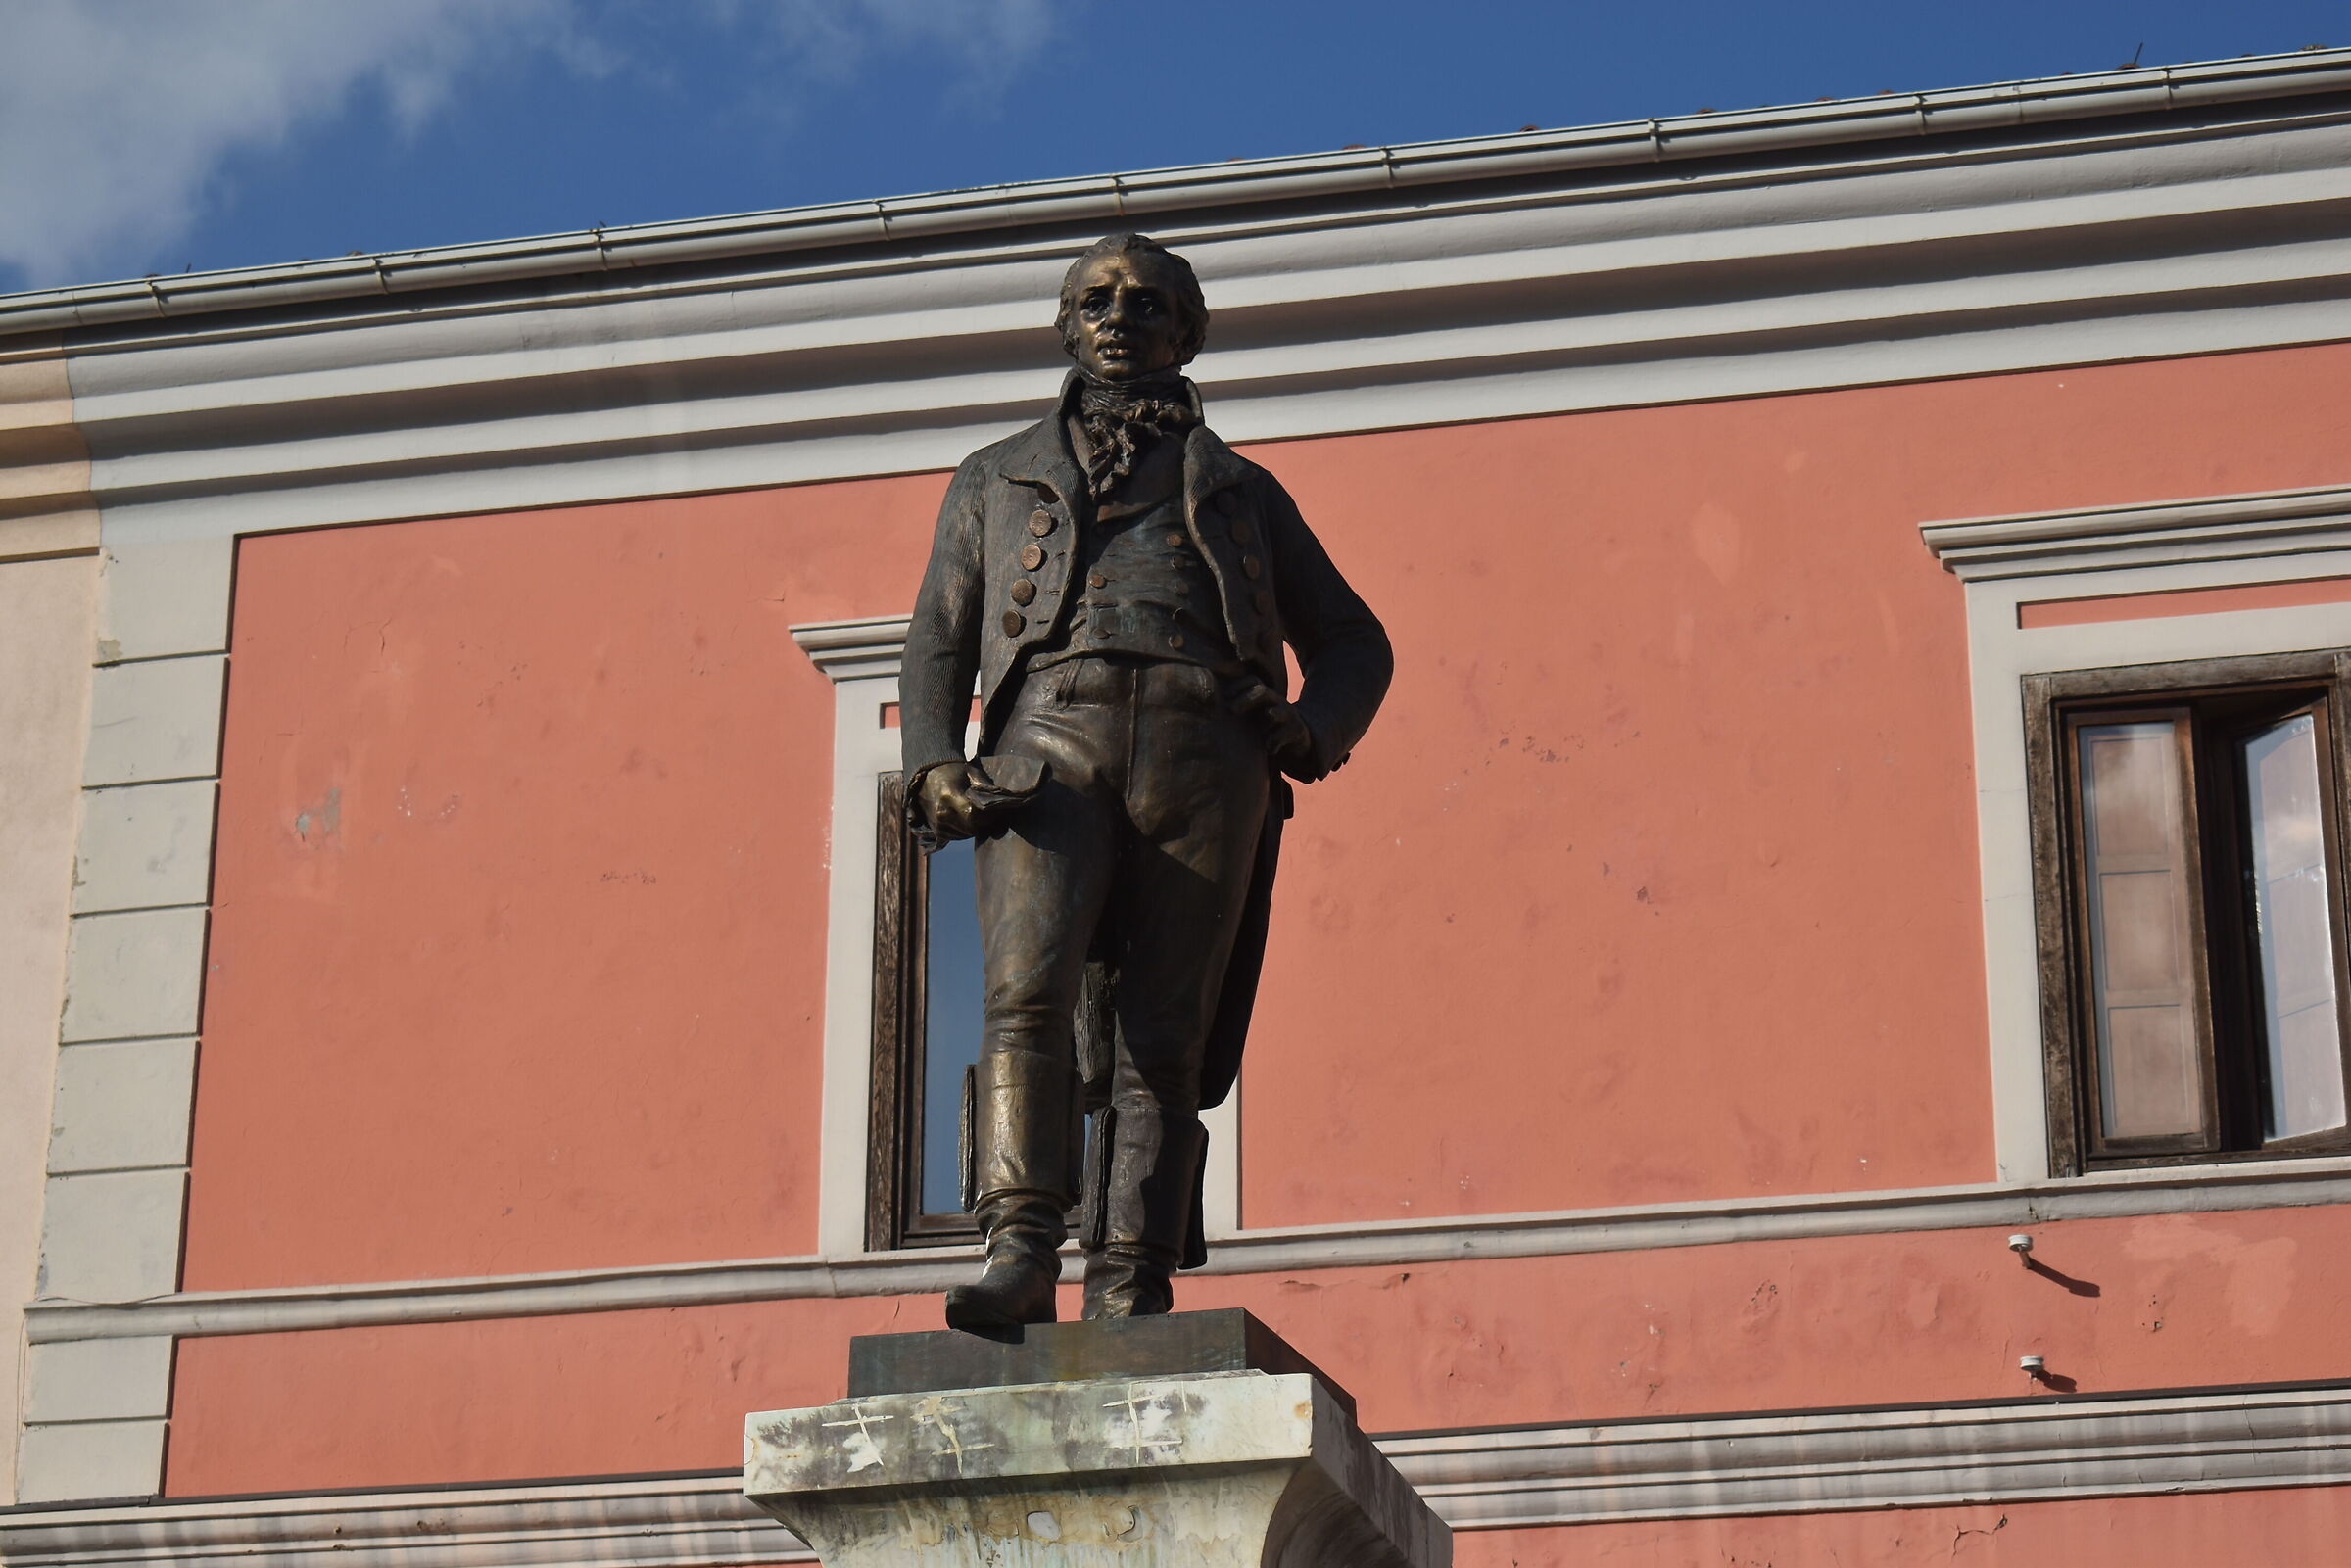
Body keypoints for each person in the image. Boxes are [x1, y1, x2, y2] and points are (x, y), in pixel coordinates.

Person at [898, 232, 1391, 1331]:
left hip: (1203, 749)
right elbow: (939, 633)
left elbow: (1358, 641)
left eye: (1148, 301)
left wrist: (1311, 730)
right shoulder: (994, 476)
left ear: (1187, 330)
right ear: (1068, 327)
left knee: (1164, 1033)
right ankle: (1021, 1245)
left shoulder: (1245, 492)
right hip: (1047, 739)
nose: (1120, 316)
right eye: (1097, 300)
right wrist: (934, 760)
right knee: (1023, 994)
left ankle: (1132, 1276)